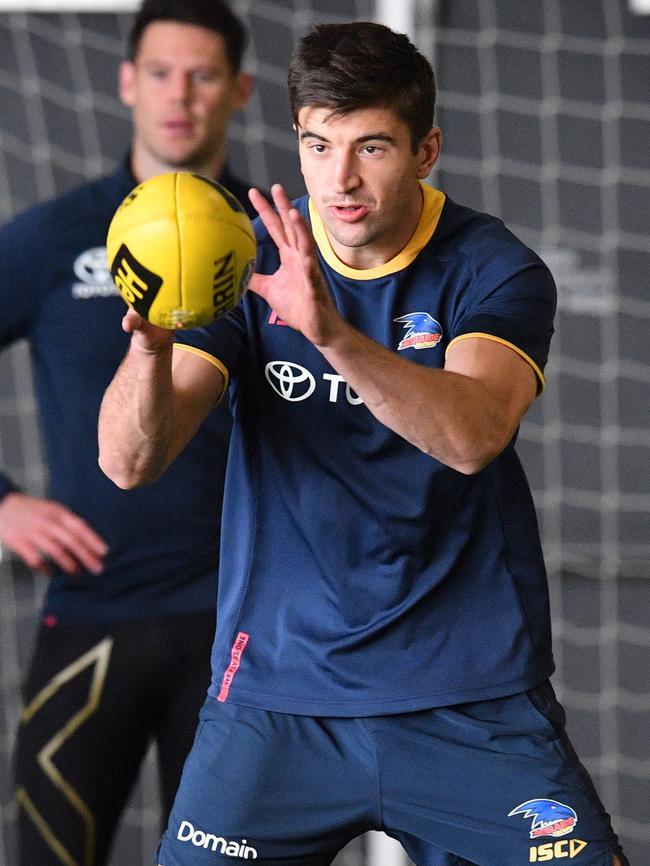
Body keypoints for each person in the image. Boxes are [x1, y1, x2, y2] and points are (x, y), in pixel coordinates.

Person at [98, 21, 628, 866]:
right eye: (318, 145)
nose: (339, 180)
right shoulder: (252, 256)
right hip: (277, 696)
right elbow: (129, 463)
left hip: (467, 695)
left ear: (426, 152)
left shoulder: (494, 269)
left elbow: (473, 434)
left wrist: (332, 334)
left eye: (371, 147)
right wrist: (152, 344)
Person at [0, 1, 258, 864]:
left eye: (204, 74)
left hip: (242, 636)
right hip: (91, 620)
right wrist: (1, 506)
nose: (179, 95)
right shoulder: (51, 239)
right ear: (126, 84)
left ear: (240, 91)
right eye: (159, 72)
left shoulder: (277, 243)